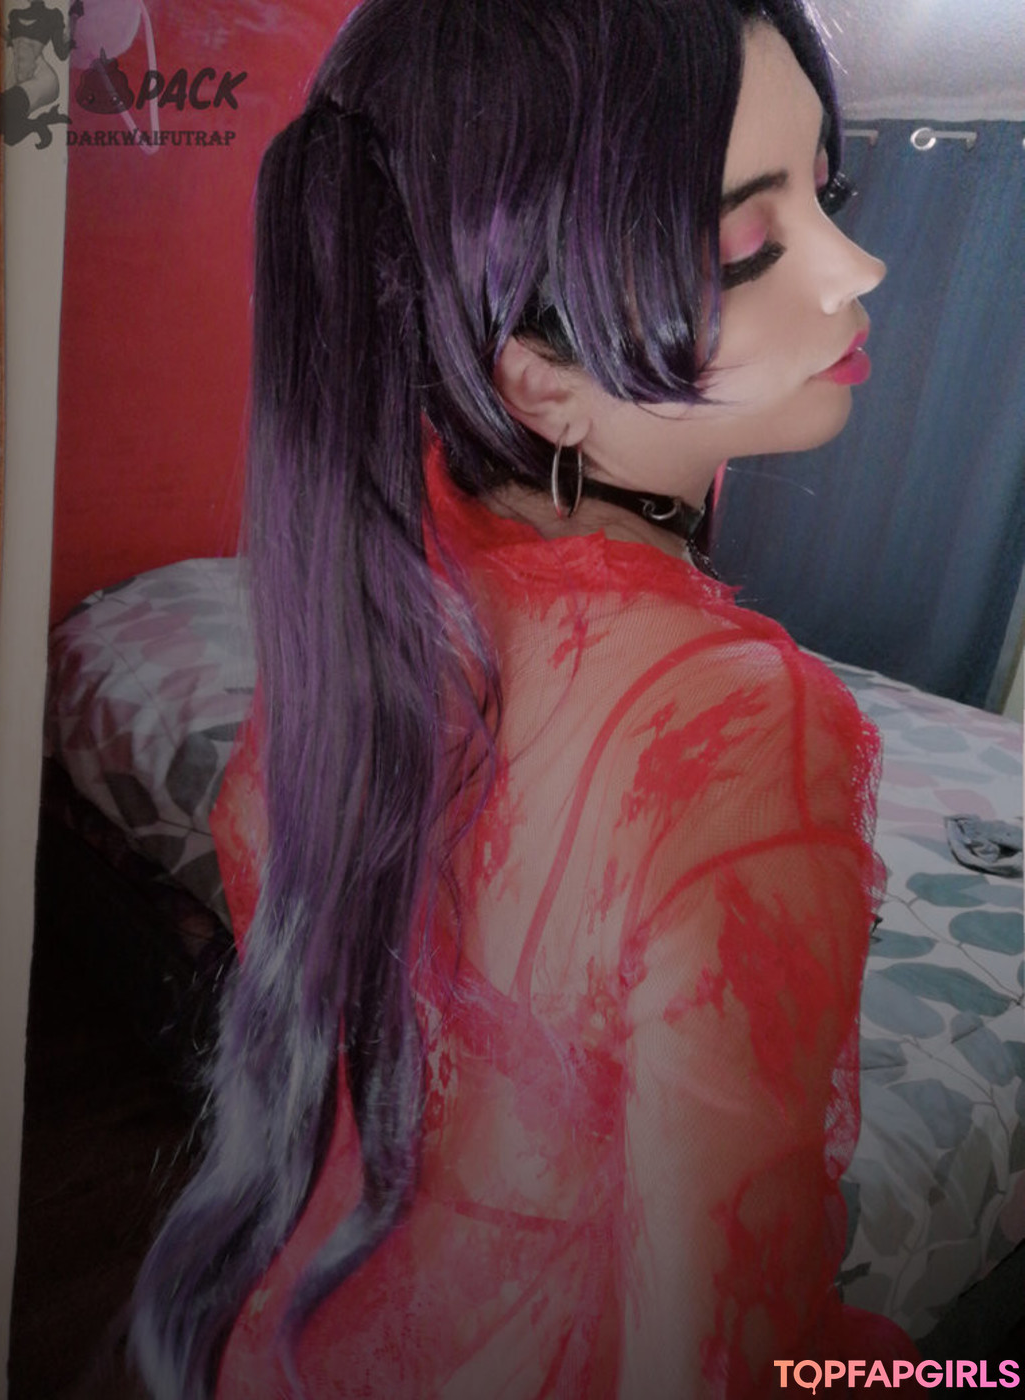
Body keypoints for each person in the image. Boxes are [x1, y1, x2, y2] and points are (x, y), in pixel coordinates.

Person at [131, 1, 923, 1394]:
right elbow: (728, 1359)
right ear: (541, 378)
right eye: (751, 244)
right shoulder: (746, 728)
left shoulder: (366, 608)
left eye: (828, 194)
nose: (858, 266)